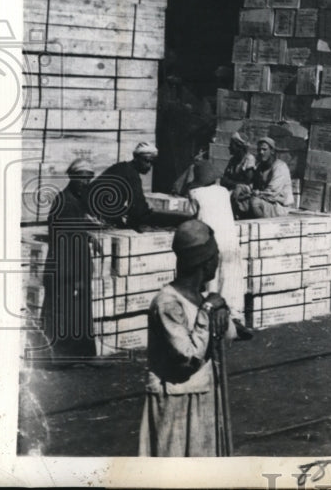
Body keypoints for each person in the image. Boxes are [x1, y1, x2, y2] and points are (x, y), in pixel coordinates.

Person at [138, 219, 236, 457]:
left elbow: (230, 334)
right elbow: (188, 356)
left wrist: (221, 307)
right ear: (205, 262)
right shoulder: (167, 303)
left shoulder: (203, 298)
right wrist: (208, 312)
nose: (218, 261)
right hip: (176, 403)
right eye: (215, 256)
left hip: (203, 397)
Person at [41, 158, 103, 359]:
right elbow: (62, 242)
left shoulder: (74, 200)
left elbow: (72, 230)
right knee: (68, 314)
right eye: (82, 179)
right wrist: (74, 277)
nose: (85, 183)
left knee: (79, 313)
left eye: (88, 179)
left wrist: (88, 235)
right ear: (72, 177)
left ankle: (82, 356)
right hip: (67, 271)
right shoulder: (65, 202)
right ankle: (66, 359)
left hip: (75, 270)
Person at [186, 159, 250, 339]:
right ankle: (236, 319)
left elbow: (191, 217)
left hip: (211, 243)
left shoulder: (194, 192)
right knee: (231, 282)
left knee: (212, 282)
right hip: (230, 242)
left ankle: (213, 323)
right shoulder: (223, 192)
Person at [87, 143, 187, 231]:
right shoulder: (131, 175)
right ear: (136, 158)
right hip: (98, 217)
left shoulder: (119, 167)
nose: (149, 166)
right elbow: (139, 211)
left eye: (152, 163)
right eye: (147, 161)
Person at [232, 137, 293, 218]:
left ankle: (262, 227)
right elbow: (254, 186)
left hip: (279, 206)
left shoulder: (280, 167)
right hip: (265, 201)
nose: (261, 152)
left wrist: (255, 194)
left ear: (272, 151)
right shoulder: (260, 166)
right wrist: (241, 188)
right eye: (259, 150)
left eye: (264, 149)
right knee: (237, 196)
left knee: (255, 202)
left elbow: (272, 193)